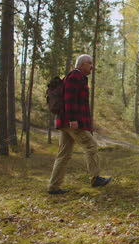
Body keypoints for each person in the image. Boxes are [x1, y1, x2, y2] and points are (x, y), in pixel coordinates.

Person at [48, 54, 111, 195]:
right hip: (71, 121)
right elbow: (69, 100)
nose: (92, 66)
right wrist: (73, 120)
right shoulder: (75, 77)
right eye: (90, 63)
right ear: (81, 64)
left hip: (66, 121)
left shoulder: (76, 77)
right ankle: (95, 179)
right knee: (91, 145)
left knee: (63, 155)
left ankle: (53, 186)